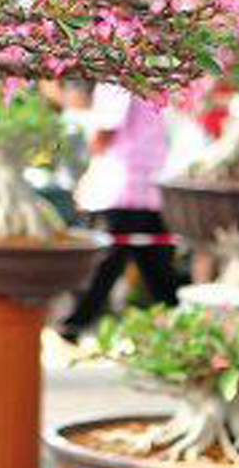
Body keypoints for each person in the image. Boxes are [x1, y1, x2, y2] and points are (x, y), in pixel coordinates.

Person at [60, 84, 180, 339]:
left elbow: (105, 132)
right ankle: (181, 323)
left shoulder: (115, 83)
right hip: (148, 187)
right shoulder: (154, 81)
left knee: (108, 263)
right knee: (154, 266)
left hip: (121, 188)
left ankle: (75, 324)